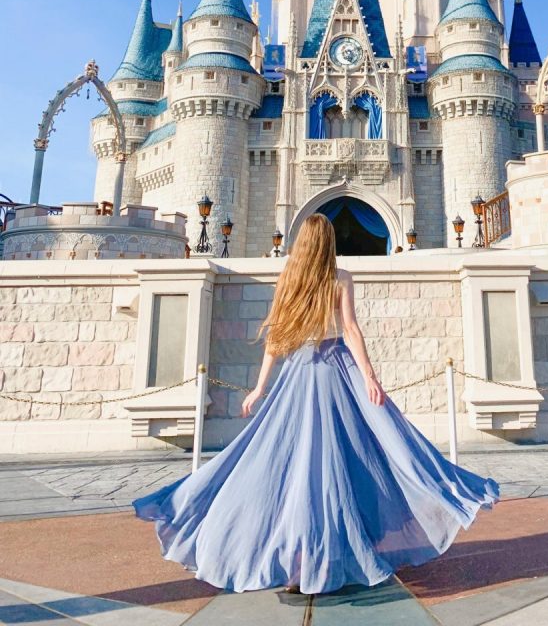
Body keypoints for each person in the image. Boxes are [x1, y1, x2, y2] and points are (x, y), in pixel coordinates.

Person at [133, 213, 498, 594]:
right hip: (337, 374)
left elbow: (276, 338)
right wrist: (369, 376)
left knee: (293, 467)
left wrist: (260, 388)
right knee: (363, 456)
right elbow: (351, 330)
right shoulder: (339, 278)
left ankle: (301, 560)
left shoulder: (290, 278)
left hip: (299, 374)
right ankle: (331, 555)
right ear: (328, 243)